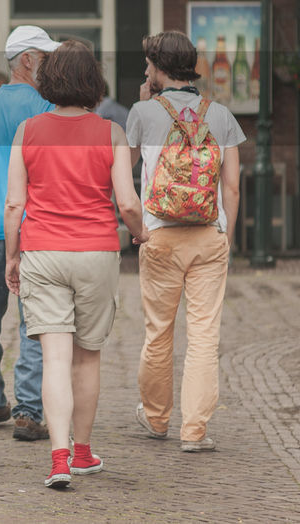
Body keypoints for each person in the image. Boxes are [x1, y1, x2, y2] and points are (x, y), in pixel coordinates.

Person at [3, 40, 148, 489]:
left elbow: (13, 205)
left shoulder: (27, 131)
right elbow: (126, 201)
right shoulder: (112, 133)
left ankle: (59, 459)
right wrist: (141, 233)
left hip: (42, 252)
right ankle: (83, 452)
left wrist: (12, 255)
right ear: (93, 82)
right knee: (87, 359)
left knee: (53, 359)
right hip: (96, 253)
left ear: (49, 81)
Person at [127, 31, 243, 453]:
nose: (145, 71)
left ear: (159, 68)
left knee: (158, 332)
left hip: (159, 234)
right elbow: (231, 188)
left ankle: (157, 419)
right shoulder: (223, 115)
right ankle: (194, 431)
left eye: (148, 65)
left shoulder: (142, 112)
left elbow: (126, 172)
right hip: (209, 236)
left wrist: (136, 225)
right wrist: (225, 236)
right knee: (204, 335)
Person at [0, 26, 59, 442]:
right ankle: (27, 408)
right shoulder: (46, 107)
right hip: (35, 228)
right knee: (33, 321)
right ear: (27, 60)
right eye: (45, 56)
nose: (50, 64)